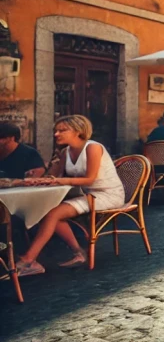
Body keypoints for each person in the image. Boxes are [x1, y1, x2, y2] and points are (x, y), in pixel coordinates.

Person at [15, 116, 125, 274]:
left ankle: (28, 260)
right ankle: (79, 253)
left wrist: (58, 180)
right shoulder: (66, 152)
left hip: (107, 194)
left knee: (53, 213)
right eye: (56, 131)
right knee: (46, 209)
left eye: (62, 130)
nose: (56, 134)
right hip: (85, 194)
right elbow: (55, 177)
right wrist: (46, 171)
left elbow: (90, 178)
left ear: (78, 131)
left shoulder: (93, 147)